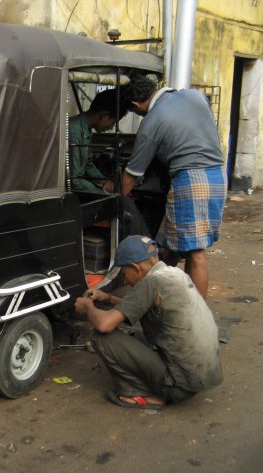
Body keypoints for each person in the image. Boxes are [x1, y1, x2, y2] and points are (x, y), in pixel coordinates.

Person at [74, 235, 223, 410]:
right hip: (202, 377)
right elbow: (138, 304)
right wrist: (106, 297)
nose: (126, 280)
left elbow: (104, 324)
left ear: (136, 267)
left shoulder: (151, 283)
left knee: (102, 338)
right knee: (136, 334)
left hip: (178, 387)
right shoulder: (173, 274)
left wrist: (88, 308)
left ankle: (141, 394)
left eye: (124, 274)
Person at [121, 74, 226, 298]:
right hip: (217, 176)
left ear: (136, 105)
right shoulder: (194, 96)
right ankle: (171, 301)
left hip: (190, 180)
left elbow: (131, 175)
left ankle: (197, 317)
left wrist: (119, 199)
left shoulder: (152, 121)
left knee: (196, 253)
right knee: (174, 250)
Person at [69, 88, 127, 193]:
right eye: (113, 122)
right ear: (104, 115)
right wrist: (103, 194)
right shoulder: (75, 131)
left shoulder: (86, 130)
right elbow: (75, 181)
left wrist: (104, 182)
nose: (111, 127)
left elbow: (88, 164)